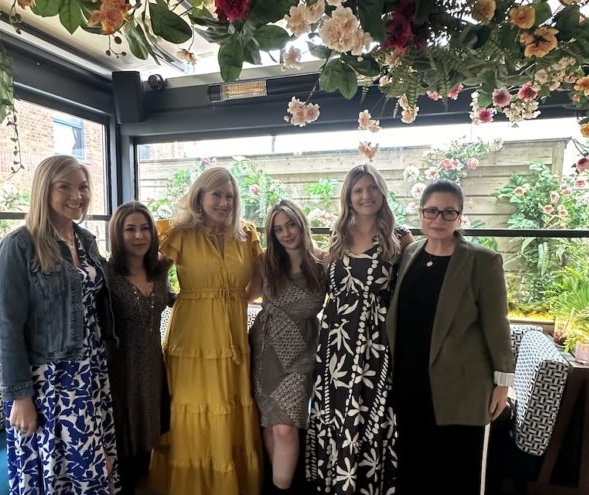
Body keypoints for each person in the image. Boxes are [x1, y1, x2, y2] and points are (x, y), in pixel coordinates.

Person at [0, 155, 120, 494]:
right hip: (50, 381)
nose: (77, 196)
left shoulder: (85, 240)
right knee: (56, 471)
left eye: (83, 187)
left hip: (91, 373)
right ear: (44, 191)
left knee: (95, 465)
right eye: (65, 187)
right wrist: (20, 396)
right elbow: (6, 327)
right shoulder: (20, 245)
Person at [386, 179, 513, 495]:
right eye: (431, 211)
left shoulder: (482, 261)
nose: (438, 219)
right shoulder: (410, 254)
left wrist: (502, 383)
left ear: (459, 216)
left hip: (461, 390)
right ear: (420, 213)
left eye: (448, 212)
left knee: (456, 475)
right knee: (414, 469)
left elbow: (497, 326)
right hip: (409, 384)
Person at [149, 166, 263, 495]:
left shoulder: (247, 234)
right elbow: (152, 273)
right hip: (191, 337)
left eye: (230, 196)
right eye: (217, 195)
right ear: (200, 197)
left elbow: (258, 283)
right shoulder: (180, 233)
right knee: (191, 404)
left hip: (232, 335)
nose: (224, 202)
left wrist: (233, 299)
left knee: (229, 402)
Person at [305, 164, 413, 495]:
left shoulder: (400, 238)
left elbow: (409, 295)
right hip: (335, 345)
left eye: (372, 188)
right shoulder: (337, 236)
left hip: (376, 345)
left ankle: (367, 487)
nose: (366, 196)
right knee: (336, 413)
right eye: (358, 190)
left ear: (382, 191)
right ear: (349, 197)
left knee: (372, 415)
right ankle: (336, 484)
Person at [249, 199, 326, 494]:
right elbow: (245, 296)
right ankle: (276, 486)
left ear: (301, 224)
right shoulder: (265, 262)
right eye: (278, 229)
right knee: (270, 424)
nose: (286, 233)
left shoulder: (324, 262)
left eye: (290, 225)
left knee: (286, 427)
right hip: (264, 351)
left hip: (300, 354)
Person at [106, 201, 172, 494]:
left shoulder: (159, 271)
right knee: (123, 451)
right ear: (117, 234)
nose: (138, 235)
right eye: (129, 229)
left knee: (148, 447)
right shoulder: (106, 275)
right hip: (121, 374)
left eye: (145, 228)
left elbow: (171, 298)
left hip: (153, 372)